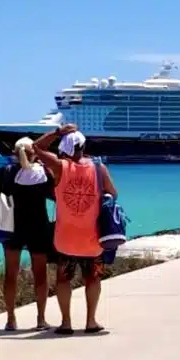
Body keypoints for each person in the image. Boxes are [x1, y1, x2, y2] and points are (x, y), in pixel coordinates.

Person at [34, 124, 117, 335]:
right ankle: (91, 321)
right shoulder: (99, 169)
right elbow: (113, 194)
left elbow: (36, 147)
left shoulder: (60, 166)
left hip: (66, 238)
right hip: (93, 238)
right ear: (84, 147)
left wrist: (58, 131)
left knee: (63, 279)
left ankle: (66, 322)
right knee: (93, 278)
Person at [0, 137, 54, 331]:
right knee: (40, 275)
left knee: (11, 274)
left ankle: (11, 319)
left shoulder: (6, 171)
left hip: (13, 227)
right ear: (33, 153)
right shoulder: (42, 172)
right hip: (38, 226)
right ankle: (41, 319)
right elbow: (52, 194)